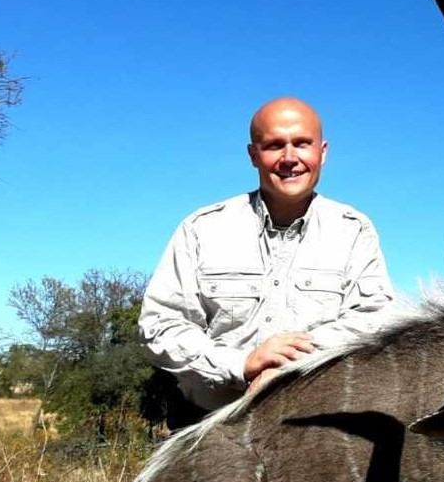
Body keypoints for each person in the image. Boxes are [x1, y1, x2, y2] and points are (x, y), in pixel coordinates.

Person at [139, 97, 394, 427]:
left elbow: (375, 319)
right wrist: (241, 364)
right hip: (208, 426)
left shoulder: (353, 230)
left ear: (323, 152)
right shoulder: (202, 228)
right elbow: (159, 325)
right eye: (274, 145)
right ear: (253, 155)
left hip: (316, 428)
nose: (289, 158)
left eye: (302, 143)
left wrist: (289, 365)